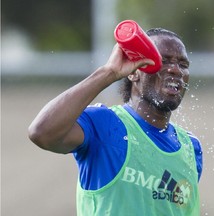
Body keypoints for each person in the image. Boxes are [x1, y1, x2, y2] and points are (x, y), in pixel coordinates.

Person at [28, 27, 203, 216]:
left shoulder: (191, 148)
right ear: (134, 72)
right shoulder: (104, 124)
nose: (175, 70)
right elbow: (42, 132)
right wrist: (109, 72)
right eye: (164, 61)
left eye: (183, 64)